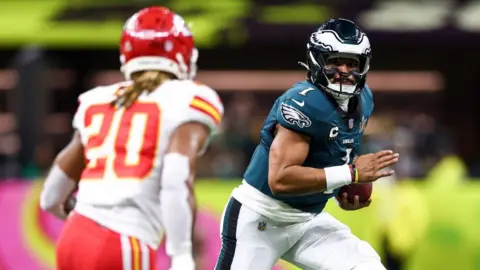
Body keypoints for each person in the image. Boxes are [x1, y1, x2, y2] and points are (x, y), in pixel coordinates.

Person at [39, 6, 223, 270]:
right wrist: (182, 254)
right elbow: (176, 178)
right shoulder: (189, 98)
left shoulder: (100, 99)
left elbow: (50, 197)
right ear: (182, 53)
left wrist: (92, 218)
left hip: (73, 239)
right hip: (122, 241)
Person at [215, 18, 398, 270]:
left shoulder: (363, 100)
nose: (344, 71)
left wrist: (341, 192)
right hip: (261, 219)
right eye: (335, 61)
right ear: (317, 61)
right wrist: (351, 173)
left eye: (352, 63)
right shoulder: (304, 102)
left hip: (308, 220)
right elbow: (280, 179)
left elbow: (333, 155)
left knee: (366, 266)